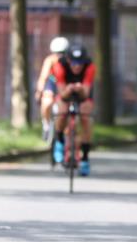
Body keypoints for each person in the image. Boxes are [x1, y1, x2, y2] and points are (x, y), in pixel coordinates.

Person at [51, 44, 96, 176]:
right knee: (62, 110)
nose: (77, 66)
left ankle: (85, 158)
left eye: (80, 63)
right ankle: (59, 141)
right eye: (74, 63)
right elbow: (62, 94)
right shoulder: (59, 66)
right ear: (69, 61)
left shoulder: (90, 66)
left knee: (85, 116)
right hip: (65, 89)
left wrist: (80, 89)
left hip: (83, 92)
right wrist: (69, 89)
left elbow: (86, 94)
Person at [36, 36, 70, 139]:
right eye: (57, 53)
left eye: (62, 53)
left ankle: (66, 131)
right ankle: (46, 124)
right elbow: (43, 76)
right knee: (47, 102)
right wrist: (39, 91)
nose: (59, 56)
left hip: (65, 83)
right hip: (52, 82)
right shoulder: (50, 60)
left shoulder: (69, 61)